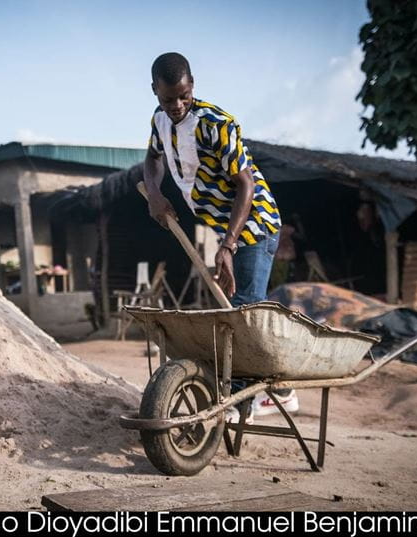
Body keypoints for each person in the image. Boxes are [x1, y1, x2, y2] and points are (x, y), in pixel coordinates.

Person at [142, 52, 298, 423]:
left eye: (184, 95)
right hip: (224, 226)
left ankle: (248, 401)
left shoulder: (216, 124)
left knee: (242, 311)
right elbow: (152, 159)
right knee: (236, 310)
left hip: (255, 224)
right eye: (168, 99)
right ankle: (276, 389)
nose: (178, 105)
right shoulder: (160, 120)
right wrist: (154, 194)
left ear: (192, 84)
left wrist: (228, 246)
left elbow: (245, 184)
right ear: (155, 91)